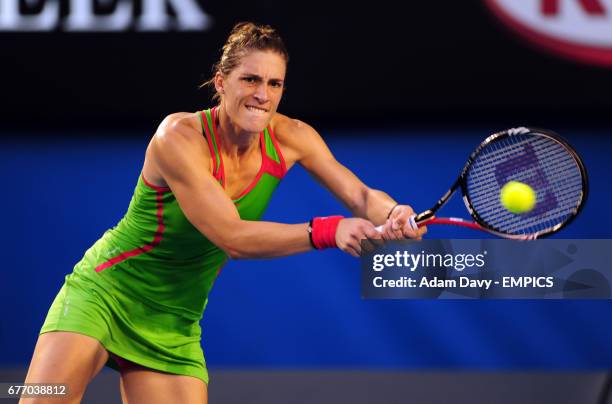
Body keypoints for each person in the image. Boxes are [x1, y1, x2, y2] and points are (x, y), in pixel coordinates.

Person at [21, 22, 427, 404]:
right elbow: (231, 237)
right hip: (106, 294)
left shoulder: (293, 137)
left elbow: (359, 194)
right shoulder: (177, 138)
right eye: (250, 79)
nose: (262, 95)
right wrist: (327, 230)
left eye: (274, 83)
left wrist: (392, 212)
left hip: (176, 323)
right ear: (221, 82)